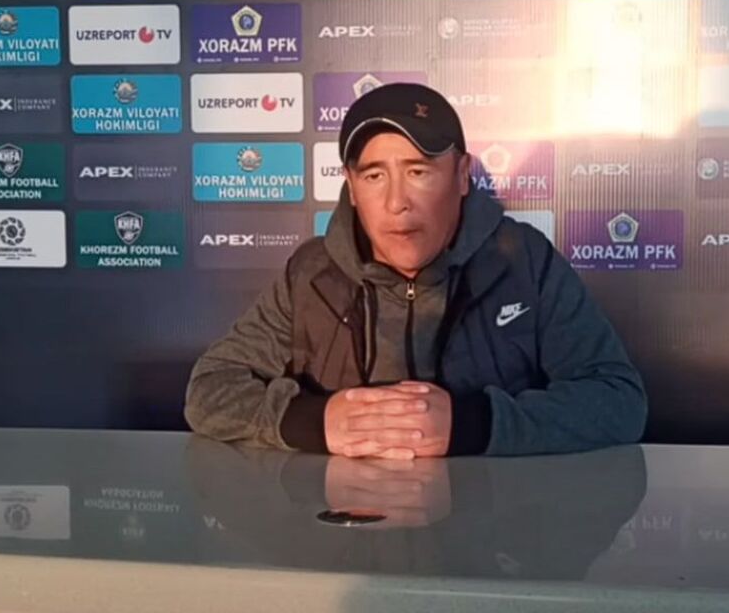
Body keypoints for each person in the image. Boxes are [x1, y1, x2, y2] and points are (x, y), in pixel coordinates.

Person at [185, 82, 647, 459]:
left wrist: (472, 425)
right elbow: (209, 390)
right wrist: (316, 421)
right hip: (341, 532)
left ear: (462, 175)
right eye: (374, 176)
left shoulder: (523, 260)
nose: (396, 202)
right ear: (351, 185)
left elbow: (619, 400)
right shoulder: (310, 273)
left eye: (418, 172)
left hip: (490, 533)